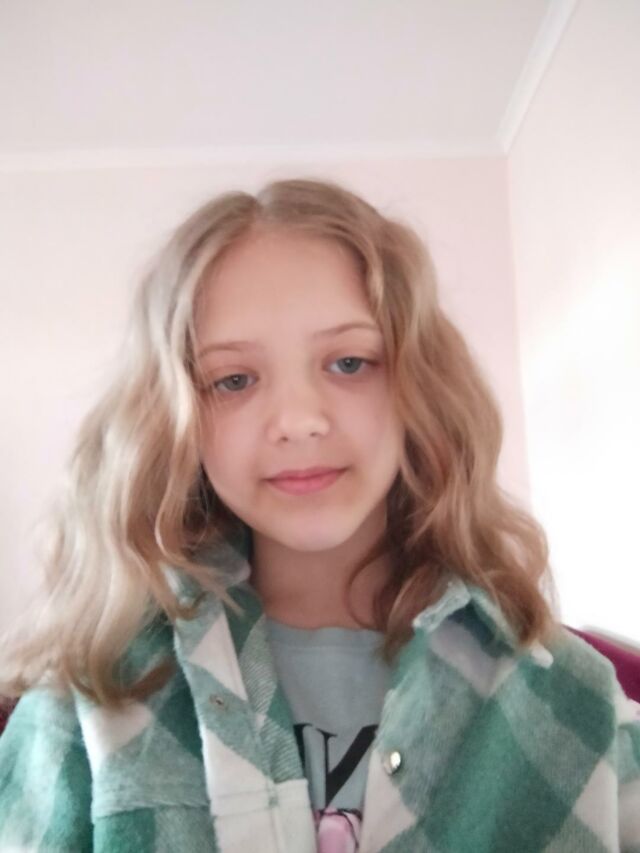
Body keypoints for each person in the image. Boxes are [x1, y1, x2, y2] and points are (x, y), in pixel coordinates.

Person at [0, 177, 638, 853]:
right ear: (172, 415)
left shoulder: (573, 695)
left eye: (349, 362)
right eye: (234, 380)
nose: (300, 419)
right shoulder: (89, 703)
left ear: (419, 385)